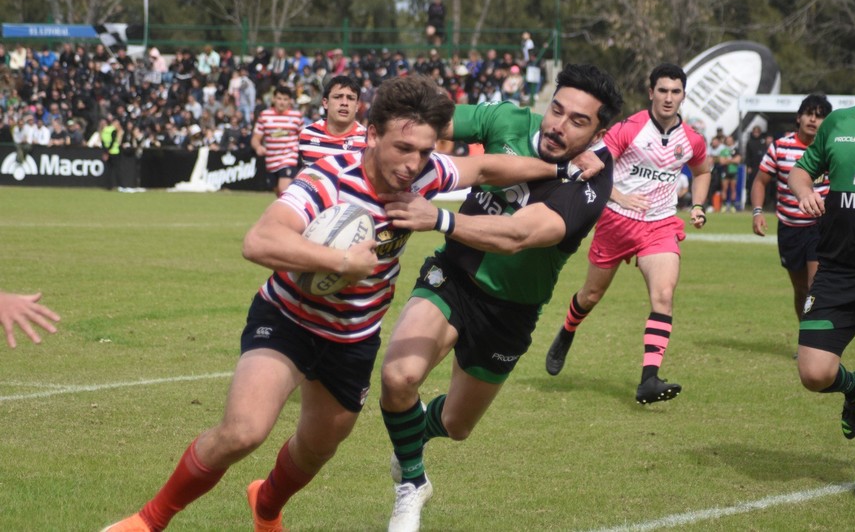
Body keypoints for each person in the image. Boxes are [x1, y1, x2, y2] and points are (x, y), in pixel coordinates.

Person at [101, 74, 588, 532]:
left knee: (315, 452)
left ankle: (266, 507)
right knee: (245, 430)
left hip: (352, 340)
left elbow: (484, 166)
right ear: (371, 134)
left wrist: (560, 168)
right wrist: (337, 260)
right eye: (402, 148)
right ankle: (148, 521)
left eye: (422, 151)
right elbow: (259, 240)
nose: (412, 164)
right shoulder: (329, 180)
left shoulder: (424, 176)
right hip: (289, 320)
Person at [378, 63, 623, 532]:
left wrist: (441, 218)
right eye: (557, 110)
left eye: (578, 121)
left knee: (457, 425)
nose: (558, 125)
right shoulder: (507, 121)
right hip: (454, 273)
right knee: (398, 377)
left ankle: (415, 436)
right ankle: (412, 484)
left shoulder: (593, 181)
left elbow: (520, 235)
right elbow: (433, 122)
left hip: (512, 308)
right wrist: (390, 116)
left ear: (599, 133)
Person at [546, 63, 711, 405]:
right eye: (662, 90)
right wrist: (618, 196)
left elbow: (702, 169)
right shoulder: (628, 129)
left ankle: (648, 380)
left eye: (675, 91)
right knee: (590, 296)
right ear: (651, 93)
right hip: (616, 222)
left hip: (661, 225)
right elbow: (590, 165)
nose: (668, 98)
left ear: (683, 95)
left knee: (663, 295)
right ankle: (567, 331)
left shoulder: (692, 139)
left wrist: (697, 205)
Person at [788, 49, 855, 500]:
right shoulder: (839, 124)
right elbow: (802, 172)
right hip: (839, 269)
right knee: (814, 373)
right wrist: (804, 192)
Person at [750, 93, 832, 324]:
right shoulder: (780, 147)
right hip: (789, 228)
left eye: (820, 116)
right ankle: (805, 335)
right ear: (799, 117)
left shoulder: (830, 148)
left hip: (819, 227)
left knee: (814, 287)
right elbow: (760, 181)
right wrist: (757, 211)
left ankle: (815, 344)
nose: (813, 120)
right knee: (800, 289)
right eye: (809, 114)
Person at [298, 75, 367, 168]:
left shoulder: (367, 140)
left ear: (357, 105)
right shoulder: (307, 135)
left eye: (350, 98)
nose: (344, 103)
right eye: (338, 97)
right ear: (325, 103)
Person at [251, 85, 304, 197]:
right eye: (279, 98)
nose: (282, 102)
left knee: (284, 190)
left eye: (285, 99)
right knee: (278, 193)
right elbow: (256, 138)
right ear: (273, 99)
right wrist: (258, 147)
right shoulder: (265, 115)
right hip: (271, 161)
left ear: (290, 101)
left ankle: (289, 214)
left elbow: (303, 138)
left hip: (289, 159)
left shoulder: (296, 116)